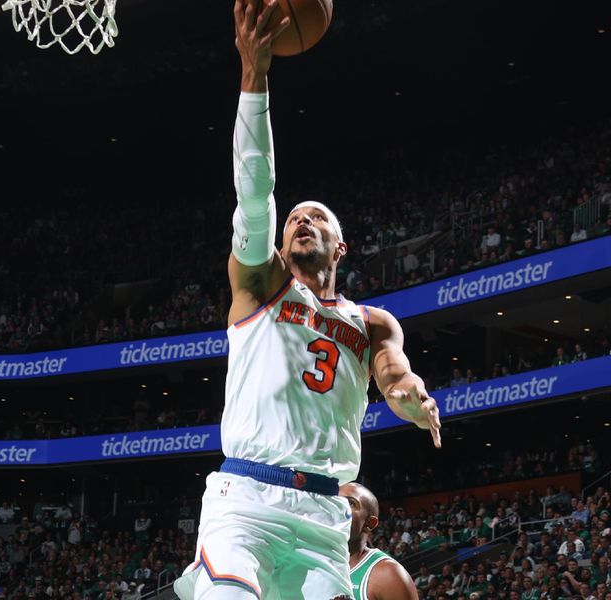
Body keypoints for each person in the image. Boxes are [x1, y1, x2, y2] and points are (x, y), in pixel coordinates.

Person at [174, 2, 441, 598]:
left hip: (324, 516)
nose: (300, 221)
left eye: (315, 217)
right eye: (294, 216)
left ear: (340, 245)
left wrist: (410, 398)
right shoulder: (260, 283)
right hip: (245, 499)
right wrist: (255, 77)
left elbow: (395, 376)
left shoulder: (371, 323)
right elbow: (255, 189)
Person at [340, 483, 418, 600]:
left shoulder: (388, 575)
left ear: (369, 523)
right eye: (335, 500)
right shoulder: (313, 563)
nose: (338, 507)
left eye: (351, 503)